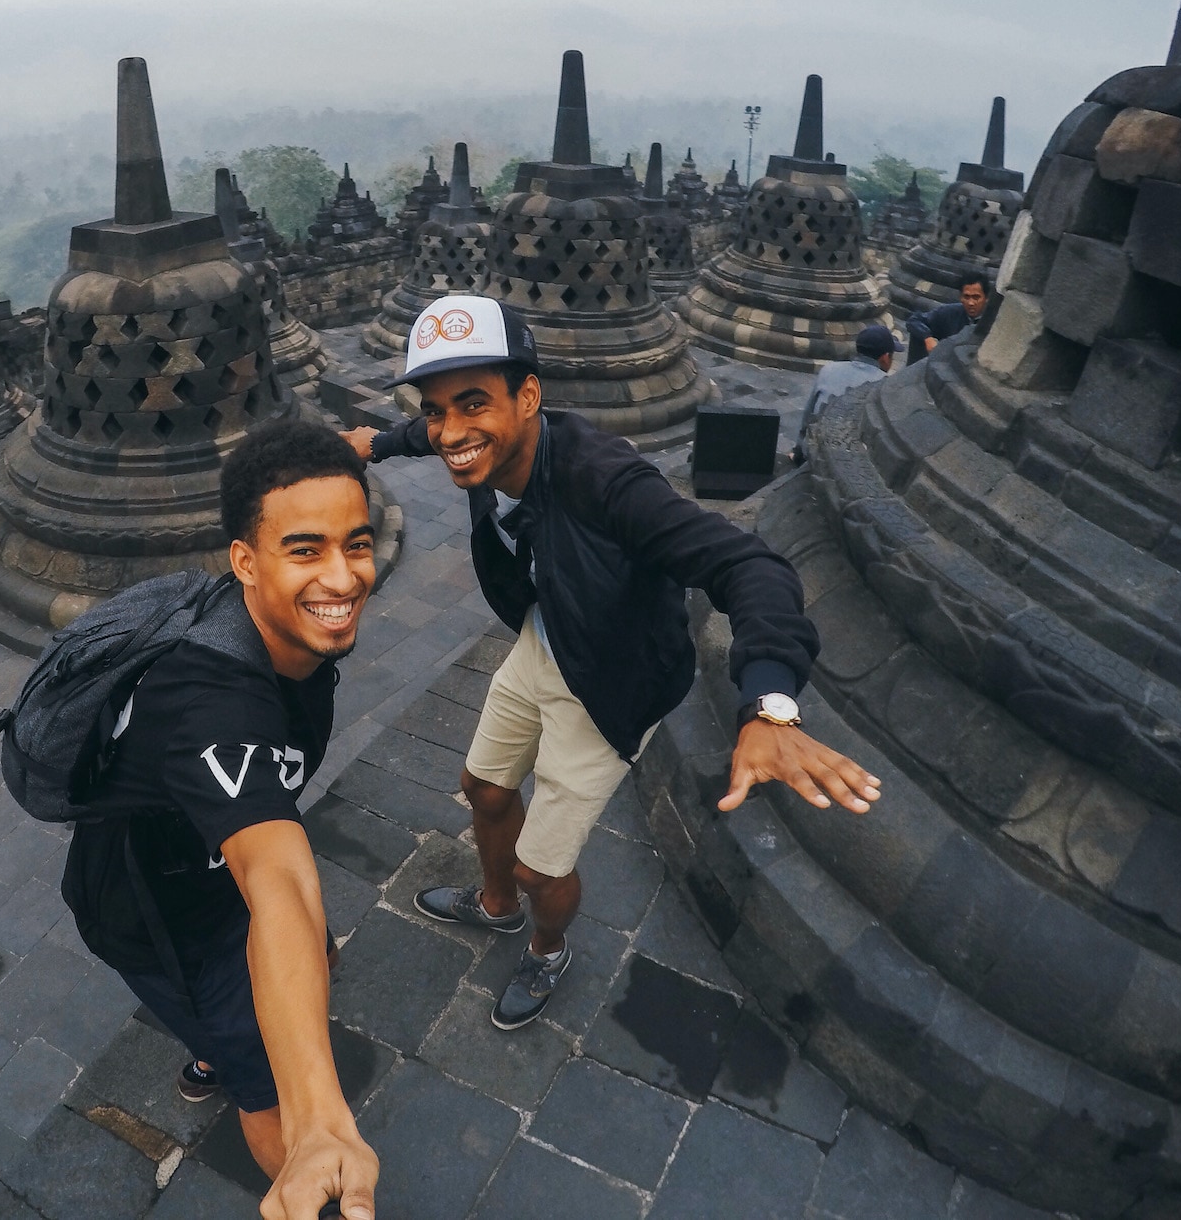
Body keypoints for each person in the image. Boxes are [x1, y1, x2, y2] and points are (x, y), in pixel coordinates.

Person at [344, 294, 878, 1030]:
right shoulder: (474, 445)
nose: (452, 432)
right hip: (546, 636)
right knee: (483, 788)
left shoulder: (609, 481)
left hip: (611, 683)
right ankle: (496, 905)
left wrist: (770, 704)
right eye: (437, 410)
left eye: (473, 404)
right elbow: (432, 431)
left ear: (528, 397)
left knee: (543, 868)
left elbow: (748, 566)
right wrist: (376, 444)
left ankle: (546, 941)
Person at [60, 420, 380, 1220]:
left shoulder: (293, 642)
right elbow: (272, 874)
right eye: (305, 550)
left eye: (358, 544)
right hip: (162, 915)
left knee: (299, 962)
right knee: (261, 1077)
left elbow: (275, 842)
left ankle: (209, 1050)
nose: (342, 579)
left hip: (214, 870)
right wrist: (318, 1120)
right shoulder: (208, 698)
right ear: (245, 562)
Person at [792, 323, 899, 464]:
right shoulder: (887, 386)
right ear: (885, 357)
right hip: (849, 461)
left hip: (812, 451)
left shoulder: (829, 369)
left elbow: (807, 416)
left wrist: (799, 451)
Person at [907, 273, 990, 362]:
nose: (971, 303)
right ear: (961, 297)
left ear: (986, 298)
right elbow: (914, 321)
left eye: (976, 297)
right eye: (966, 297)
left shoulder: (993, 320)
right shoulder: (950, 312)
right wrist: (927, 338)